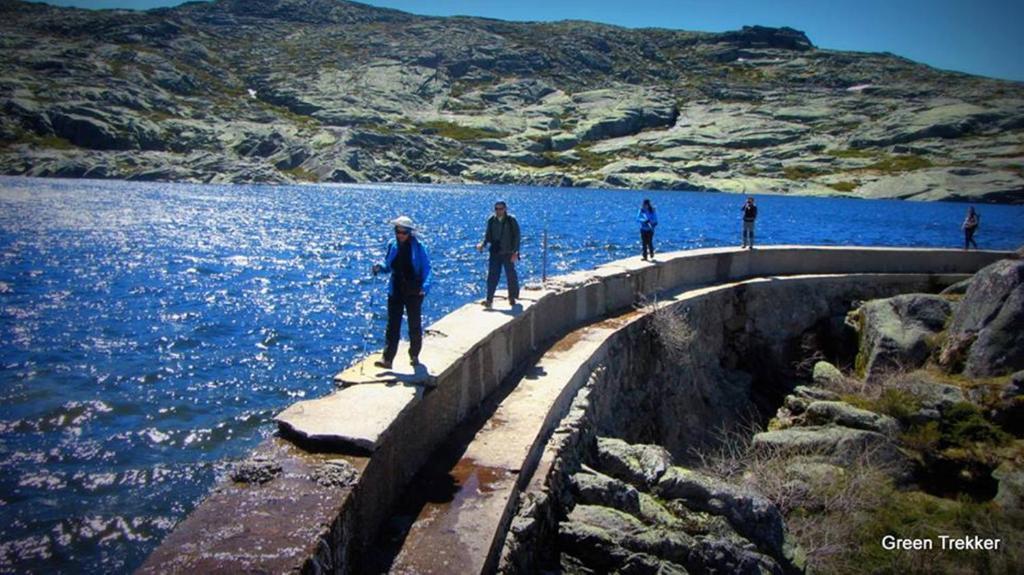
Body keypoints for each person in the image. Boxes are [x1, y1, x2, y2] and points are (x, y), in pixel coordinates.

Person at [372, 216, 431, 368]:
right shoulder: (392, 245)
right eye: (398, 231)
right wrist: (379, 267)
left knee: (414, 325)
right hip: (396, 289)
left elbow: (427, 269)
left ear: (410, 233)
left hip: (414, 290)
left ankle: (414, 355)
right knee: (392, 325)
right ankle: (388, 358)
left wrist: (424, 288)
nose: (400, 235)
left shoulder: (419, 247)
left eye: (404, 232)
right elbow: (388, 265)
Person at [477, 200, 520, 308]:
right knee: (492, 276)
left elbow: (517, 237)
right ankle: (489, 299)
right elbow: (488, 236)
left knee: (511, 275)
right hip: (495, 252)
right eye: (496, 209)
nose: (498, 211)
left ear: (505, 209)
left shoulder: (511, 220)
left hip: (508, 252)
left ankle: (512, 297)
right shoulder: (491, 220)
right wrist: (483, 244)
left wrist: (516, 252)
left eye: (500, 209)